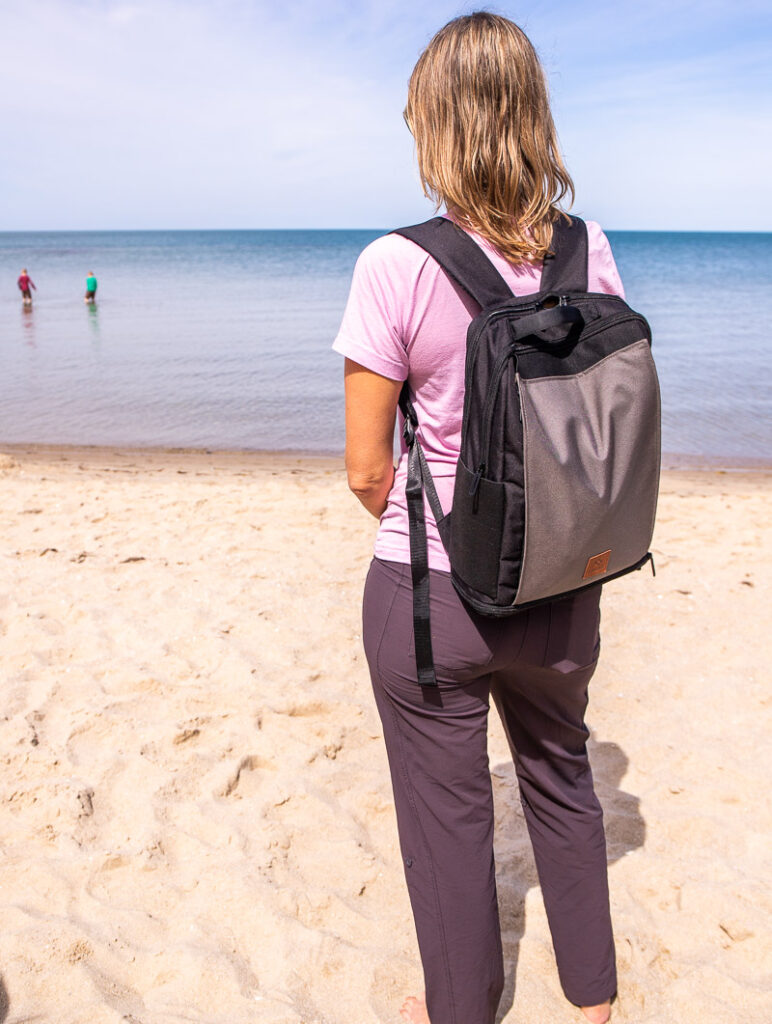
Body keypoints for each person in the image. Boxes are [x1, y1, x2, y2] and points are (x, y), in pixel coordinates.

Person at [333, 13, 628, 1024]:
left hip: (435, 593)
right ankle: (591, 999)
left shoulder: (395, 263)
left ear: (436, 126)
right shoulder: (591, 252)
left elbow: (368, 468)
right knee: (562, 775)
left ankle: (460, 1007)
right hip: (564, 577)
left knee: (447, 818)